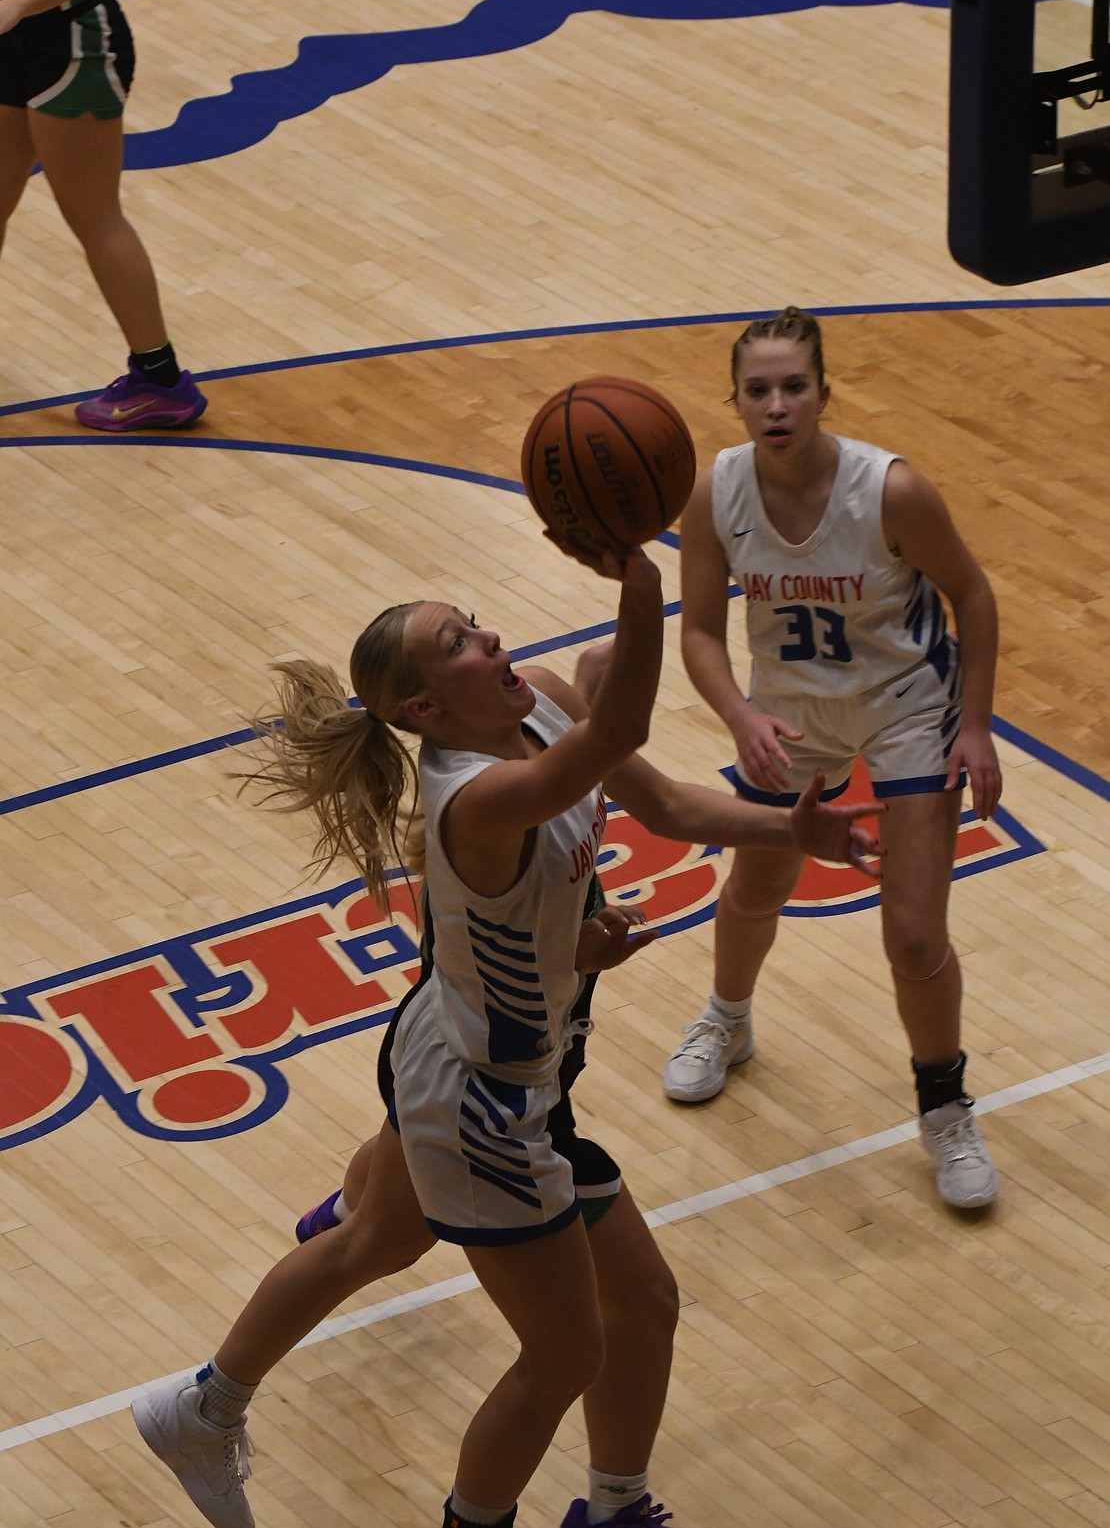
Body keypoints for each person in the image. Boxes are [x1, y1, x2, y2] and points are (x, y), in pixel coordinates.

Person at [131, 535, 883, 1528]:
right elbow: (620, 730)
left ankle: (211, 1406)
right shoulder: (473, 798)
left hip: (477, 1051)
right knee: (566, 1353)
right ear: (425, 709)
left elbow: (662, 801)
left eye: (476, 623)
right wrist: (642, 578)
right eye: (461, 643)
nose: (490, 639)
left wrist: (787, 829)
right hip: (485, 1101)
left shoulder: (543, 708)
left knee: (616, 1298)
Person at [665, 305, 1003, 1212]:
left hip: (905, 703)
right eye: (758, 390)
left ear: (824, 393)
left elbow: (972, 593)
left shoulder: (891, 490)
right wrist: (739, 713)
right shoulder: (716, 491)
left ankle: (945, 1106)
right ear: (735, 400)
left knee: (915, 932)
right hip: (788, 711)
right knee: (757, 886)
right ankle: (727, 1021)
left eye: (794, 386)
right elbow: (699, 632)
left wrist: (975, 725)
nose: (776, 404)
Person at [0, 0, 206, 430]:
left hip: (72, 44)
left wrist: (14, 5)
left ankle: (162, 382)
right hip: (9, 43)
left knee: (95, 219)